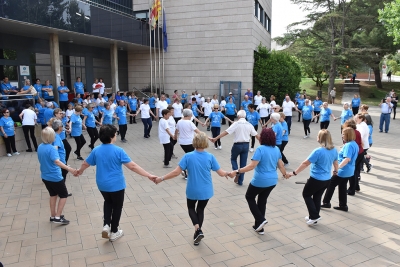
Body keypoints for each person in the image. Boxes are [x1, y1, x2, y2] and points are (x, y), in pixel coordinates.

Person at [76, 124, 157, 241]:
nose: (116, 135)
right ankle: (114, 231)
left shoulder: (96, 150)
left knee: (108, 202)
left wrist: (79, 171)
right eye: (116, 133)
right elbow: (132, 166)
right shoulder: (118, 150)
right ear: (112, 136)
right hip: (116, 185)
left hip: (102, 184)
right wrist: (148, 175)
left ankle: (106, 225)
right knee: (117, 207)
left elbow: (85, 163)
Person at [154, 132, 232, 245]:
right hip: (206, 190)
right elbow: (221, 173)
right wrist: (228, 173)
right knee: (200, 209)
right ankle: (197, 234)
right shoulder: (210, 157)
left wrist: (161, 178)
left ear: (194, 142)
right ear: (205, 143)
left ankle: (197, 229)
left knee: (191, 207)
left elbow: (176, 173)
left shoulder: (188, 156)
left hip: (192, 189)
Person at [229, 128, 287, 234]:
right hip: (272, 181)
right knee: (262, 200)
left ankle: (260, 220)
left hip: (260, 180)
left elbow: (252, 166)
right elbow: (281, 165)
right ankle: (259, 227)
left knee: (249, 197)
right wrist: (285, 174)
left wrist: (237, 171)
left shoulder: (260, 149)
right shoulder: (276, 149)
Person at [287, 130, 338, 225]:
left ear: (320, 138)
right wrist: (336, 170)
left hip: (316, 179)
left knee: (306, 194)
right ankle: (313, 217)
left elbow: (305, 163)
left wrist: (294, 173)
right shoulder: (334, 150)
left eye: (318, 136)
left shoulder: (318, 151)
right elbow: (335, 162)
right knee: (317, 197)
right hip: (327, 179)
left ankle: (314, 216)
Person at [38, 127, 77, 224]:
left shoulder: (40, 146)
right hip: (55, 177)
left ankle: (53, 215)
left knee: (53, 195)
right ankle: (58, 217)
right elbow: (57, 162)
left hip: (45, 176)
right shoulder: (51, 149)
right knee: (63, 195)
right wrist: (70, 169)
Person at [211, 110, 259, 186]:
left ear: (238, 116)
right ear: (245, 116)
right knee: (243, 164)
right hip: (246, 145)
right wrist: (265, 143)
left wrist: (216, 138)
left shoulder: (236, 124)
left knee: (233, 159)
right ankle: (240, 181)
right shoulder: (249, 124)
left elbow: (226, 132)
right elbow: (256, 135)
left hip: (237, 145)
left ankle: (236, 172)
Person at [321, 127, 359, 212]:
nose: (342, 136)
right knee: (342, 187)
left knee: (331, 184)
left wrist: (337, 168)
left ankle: (326, 202)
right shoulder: (354, 144)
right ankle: (343, 205)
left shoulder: (348, 145)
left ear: (347, 135)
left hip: (343, 171)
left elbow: (347, 159)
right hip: (349, 170)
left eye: (343, 134)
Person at [175, 109, 202, 179]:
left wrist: (175, 137)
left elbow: (176, 130)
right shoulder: (190, 123)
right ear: (189, 115)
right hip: (189, 142)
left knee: (188, 155)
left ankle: (185, 170)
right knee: (191, 157)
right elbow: (198, 132)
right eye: (191, 115)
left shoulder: (179, 121)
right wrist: (208, 137)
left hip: (182, 143)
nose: (191, 117)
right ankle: (185, 171)